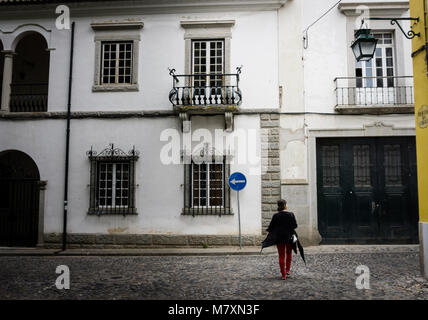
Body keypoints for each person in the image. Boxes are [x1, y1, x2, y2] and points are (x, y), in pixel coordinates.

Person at [266, 199, 298, 280]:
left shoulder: (275, 216)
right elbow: (295, 226)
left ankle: (283, 275)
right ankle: (287, 270)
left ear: (278, 206)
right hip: (289, 237)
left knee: (281, 255)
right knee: (289, 253)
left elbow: (270, 228)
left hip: (279, 238)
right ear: (285, 205)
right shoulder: (291, 215)